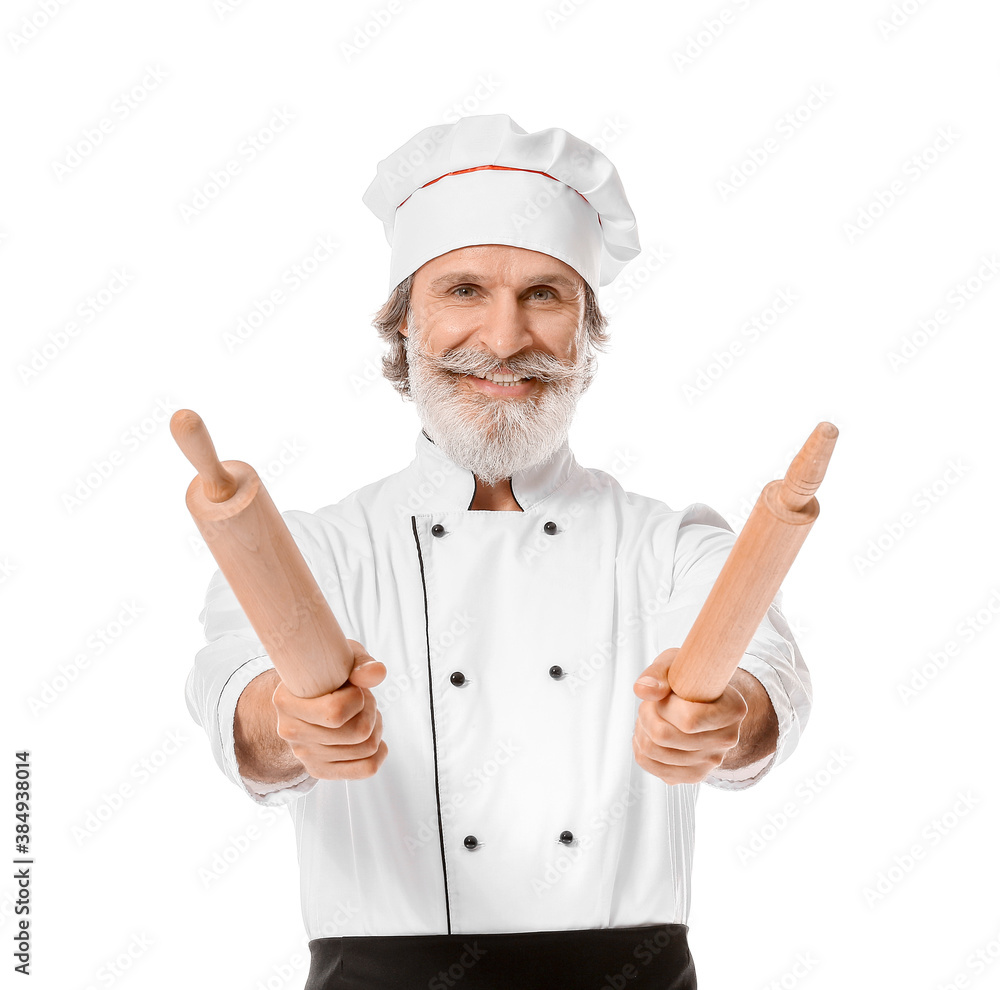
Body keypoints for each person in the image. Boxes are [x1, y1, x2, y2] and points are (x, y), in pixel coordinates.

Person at [185, 113, 811, 989]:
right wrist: (292, 725)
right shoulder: (315, 549)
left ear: (586, 337)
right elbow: (234, 691)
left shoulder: (669, 544)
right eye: (465, 290)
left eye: (545, 296)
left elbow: (764, 678)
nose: (506, 339)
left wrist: (724, 721)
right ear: (404, 325)